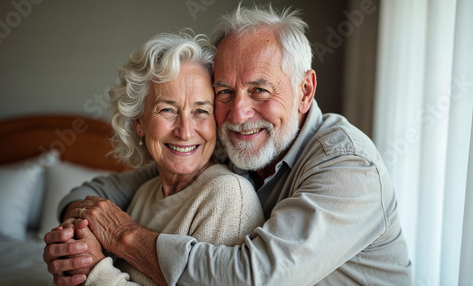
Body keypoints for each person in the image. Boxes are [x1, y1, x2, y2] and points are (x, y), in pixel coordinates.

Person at [45, 4, 413, 286]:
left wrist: (123, 238)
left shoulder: (348, 166)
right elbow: (101, 191)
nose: (238, 112)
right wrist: (76, 239)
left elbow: (254, 277)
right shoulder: (235, 148)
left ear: (304, 91)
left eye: (259, 90)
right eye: (224, 91)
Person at [43, 30, 264, 285]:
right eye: (167, 109)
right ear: (139, 123)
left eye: (201, 111)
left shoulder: (227, 195)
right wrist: (73, 258)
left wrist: (94, 271)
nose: (185, 131)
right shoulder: (145, 193)